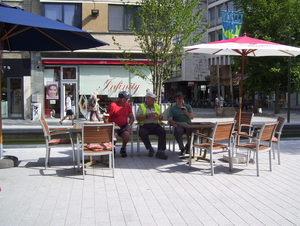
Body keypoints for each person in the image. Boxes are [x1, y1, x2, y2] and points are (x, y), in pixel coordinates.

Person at [136, 92, 168, 159]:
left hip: (155, 125)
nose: (154, 100)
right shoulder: (141, 106)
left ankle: (160, 151)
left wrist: (159, 117)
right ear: (147, 99)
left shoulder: (156, 106)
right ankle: (150, 148)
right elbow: (137, 118)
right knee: (142, 133)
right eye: (152, 98)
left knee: (162, 131)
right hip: (145, 125)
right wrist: (147, 116)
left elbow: (161, 117)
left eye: (154, 98)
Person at [106, 91, 134, 158]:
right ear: (122, 99)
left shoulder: (128, 105)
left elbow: (132, 117)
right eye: (127, 98)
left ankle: (123, 148)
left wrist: (128, 125)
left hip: (124, 125)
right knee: (114, 135)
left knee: (126, 134)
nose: (129, 99)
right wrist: (109, 124)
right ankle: (113, 148)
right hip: (113, 126)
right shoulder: (113, 105)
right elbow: (106, 118)